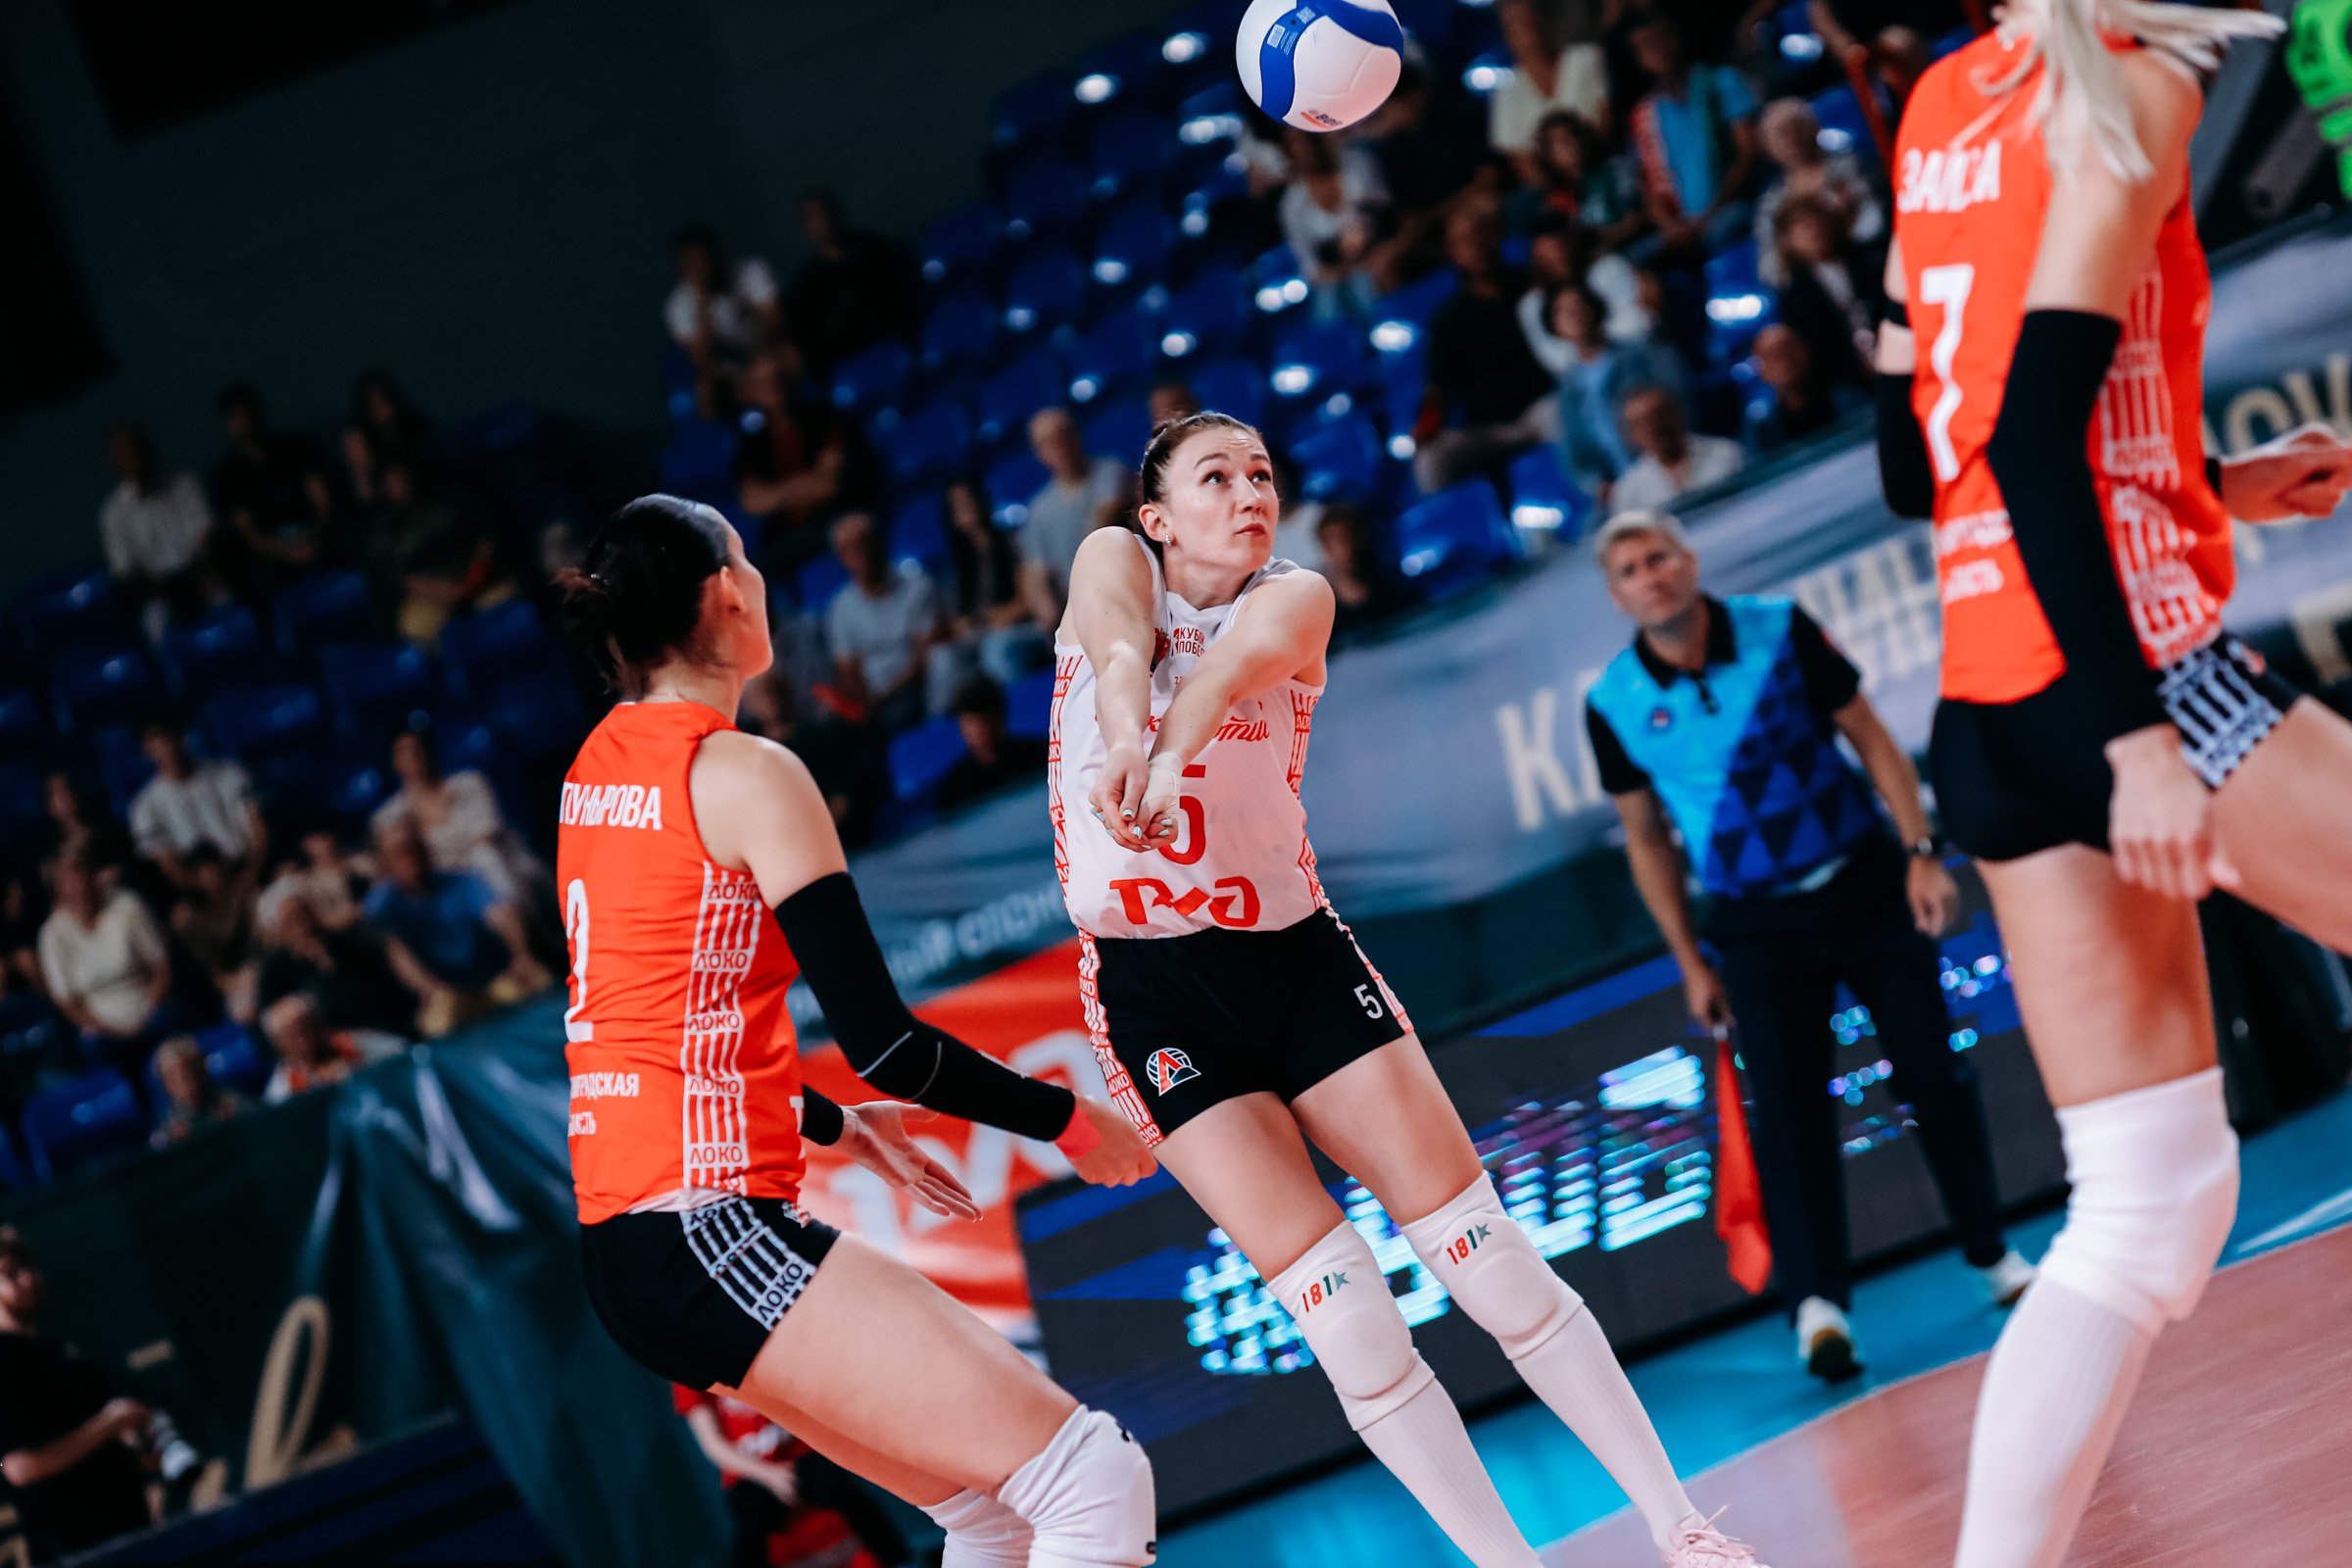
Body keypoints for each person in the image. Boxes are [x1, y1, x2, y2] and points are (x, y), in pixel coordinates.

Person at [1052, 412, 1770, 1568]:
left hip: (1294, 957)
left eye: (1262, 474)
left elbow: (1226, 669)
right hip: (1152, 994)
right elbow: (1122, 643)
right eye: (1216, 476)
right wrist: (1128, 734)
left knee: (1485, 1252)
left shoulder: (1297, 597)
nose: (1249, 492)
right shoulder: (1109, 558)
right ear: (1156, 515)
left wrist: (1166, 754)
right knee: (1345, 1312)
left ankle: (1676, 1522)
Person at [1873, 6, 2352, 1563]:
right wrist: (2140, 741)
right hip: (2133, 679)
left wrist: (2209, 487)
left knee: (2150, 1200)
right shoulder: (2136, 86)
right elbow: (2027, 441)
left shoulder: (1944, 101)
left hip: (1990, 705)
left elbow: (1918, 458)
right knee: (2149, 1200)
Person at [550, 494, 1160, 1568]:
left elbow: (659, 1029)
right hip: (708, 1231)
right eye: (748, 561)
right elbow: (888, 1045)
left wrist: (834, 1124)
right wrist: (1066, 1120)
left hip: (638, 1242)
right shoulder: (749, 773)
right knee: (1092, 1478)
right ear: (727, 594)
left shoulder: (594, 774)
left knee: (995, 1515)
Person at [1584, 512, 2030, 1379]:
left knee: (1933, 1076)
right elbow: (1645, 839)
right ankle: (1820, 1310)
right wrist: (1690, 960)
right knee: (1788, 1121)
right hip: (1752, 929)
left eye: (1660, 557)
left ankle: (1992, 1255)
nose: (1651, 577)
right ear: (1617, 596)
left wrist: (1920, 850)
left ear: (1689, 560)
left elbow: (1869, 735)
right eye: (1631, 570)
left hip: (1865, 885)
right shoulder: (1613, 704)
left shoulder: (1780, 628)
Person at [0, 1227, 157, 1562]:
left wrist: (135, 1439)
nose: (28, 1279)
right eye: (11, 1274)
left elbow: (124, 1434)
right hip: (75, 1553)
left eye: (29, 1266)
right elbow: (19, 1468)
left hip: (131, 1539)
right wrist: (108, 1424)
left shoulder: (60, 1353)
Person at [675, 1384, 916, 1568]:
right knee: (751, 1528)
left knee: (848, 1495)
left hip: (799, 1453)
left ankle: (900, 1561)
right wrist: (769, 1475)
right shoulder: (686, 1369)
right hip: (750, 1472)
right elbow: (714, 1446)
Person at [1415, 202, 1559, 494]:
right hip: (1486, 430)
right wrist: (1426, 428)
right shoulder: (1447, 319)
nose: (1475, 247)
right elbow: (1436, 391)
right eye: (1463, 241)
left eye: (1481, 234)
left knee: (1561, 415)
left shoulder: (1532, 286)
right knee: (1432, 460)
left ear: (1497, 235)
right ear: (1453, 252)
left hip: (1542, 406)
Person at [364, 815, 552, 1039]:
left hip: (497, 979)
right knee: (437, 1025)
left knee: (541, 982)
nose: (409, 857)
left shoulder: (463, 880)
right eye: (398, 852)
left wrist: (521, 955)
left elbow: (501, 915)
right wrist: (430, 989)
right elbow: (397, 953)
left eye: (413, 848)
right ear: (384, 861)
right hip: (447, 993)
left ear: (425, 848)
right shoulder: (383, 905)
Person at [1625, 13, 1761, 263]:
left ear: (1675, 39)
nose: (1655, 51)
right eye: (1644, 47)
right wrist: (1670, 226)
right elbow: (1647, 187)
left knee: (1723, 233)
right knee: (1633, 262)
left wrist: (1707, 217)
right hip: (1680, 224)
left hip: (1729, 207)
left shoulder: (1721, 82)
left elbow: (1747, 155)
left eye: (1659, 40)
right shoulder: (1645, 114)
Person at [1541, 283, 1688, 496]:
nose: (1573, 315)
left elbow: (1677, 407)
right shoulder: (1567, 389)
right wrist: (1597, 486)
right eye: (1562, 311)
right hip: (1619, 490)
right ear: (1554, 326)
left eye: (1578, 306)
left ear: (1594, 308)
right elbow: (1574, 456)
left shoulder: (1639, 354)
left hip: (1666, 470)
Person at [372, 728, 547, 906]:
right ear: (394, 761)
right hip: (439, 885)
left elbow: (486, 836)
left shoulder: (470, 783)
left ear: (429, 751)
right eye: (403, 752)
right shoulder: (389, 816)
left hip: (494, 869)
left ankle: (516, 913)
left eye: (418, 749)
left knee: (487, 858)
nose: (413, 756)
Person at [36, 849, 173, 1070]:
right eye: (70, 883)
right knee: (92, 1047)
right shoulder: (51, 935)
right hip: (100, 1025)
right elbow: (67, 1002)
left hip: (146, 1007)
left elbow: (161, 966)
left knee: (168, 1022)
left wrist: (150, 1007)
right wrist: (104, 1027)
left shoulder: (128, 905)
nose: (80, 889)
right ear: (59, 890)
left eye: (82, 878)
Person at [207, 383, 335, 604]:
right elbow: (250, 534)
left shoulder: (298, 447)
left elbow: (322, 501)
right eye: (235, 416)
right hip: (272, 555)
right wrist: (290, 553)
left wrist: (315, 539)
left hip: (316, 536)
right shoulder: (228, 476)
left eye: (246, 413)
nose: (243, 421)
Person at [97, 423, 221, 642]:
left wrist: (202, 572)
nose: (133, 457)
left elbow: (206, 534)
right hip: (160, 593)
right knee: (155, 623)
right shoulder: (112, 513)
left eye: (135, 449)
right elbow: (126, 571)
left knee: (224, 599)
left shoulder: (185, 484)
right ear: (114, 462)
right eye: (124, 454)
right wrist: (166, 591)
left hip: (200, 575)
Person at [821, 512, 942, 733]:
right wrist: (862, 703)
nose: (860, 556)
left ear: (880, 544)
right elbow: (848, 670)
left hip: (914, 687)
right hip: (872, 699)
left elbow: (926, 655)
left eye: (864, 545)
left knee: (896, 716)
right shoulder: (840, 607)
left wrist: (883, 697)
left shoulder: (916, 585)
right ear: (840, 557)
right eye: (849, 550)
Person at [935, 476, 1051, 701]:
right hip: (979, 635)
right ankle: (949, 722)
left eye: (969, 500)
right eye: (958, 505)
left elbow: (1028, 603)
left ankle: (1016, 711)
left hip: (1021, 629)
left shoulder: (1013, 543)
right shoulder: (956, 568)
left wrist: (989, 619)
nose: (967, 507)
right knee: (944, 659)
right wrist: (972, 625)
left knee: (996, 647)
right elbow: (956, 624)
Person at [1017, 410, 1134, 632]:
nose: (1058, 446)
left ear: (1076, 436)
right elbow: (1036, 573)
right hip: (1072, 608)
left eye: (1062, 435)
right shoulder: (1039, 509)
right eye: (1047, 442)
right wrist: (1052, 620)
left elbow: (1103, 523)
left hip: (1119, 586)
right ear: (1039, 453)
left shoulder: (1111, 471)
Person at [784, 189, 921, 376]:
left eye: (824, 213)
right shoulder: (808, 281)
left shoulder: (875, 250)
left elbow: (902, 293)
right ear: (807, 228)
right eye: (812, 217)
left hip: (896, 343)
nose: (821, 221)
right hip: (851, 360)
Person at [1752, 99, 1884, 288]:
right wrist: (1793, 250)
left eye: (1797, 127)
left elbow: (1875, 224)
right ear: (1768, 147)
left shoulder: (1852, 168)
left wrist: (1840, 227)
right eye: (1781, 133)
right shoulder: (1772, 203)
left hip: (1867, 265)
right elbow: (1770, 270)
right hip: (1813, 288)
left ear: (1815, 127)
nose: (1792, 137)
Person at [253, 890, 416, 1039]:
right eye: (292, 920)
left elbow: (387, 950)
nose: (304, 925)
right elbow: (271, 1024)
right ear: (279, 930)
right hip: (335, 1047)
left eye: (304, 914)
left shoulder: (346, 943)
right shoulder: (276, 971)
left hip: (387, 1031)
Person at [127, 720, 267, 889]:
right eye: (155, 741)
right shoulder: (143, 807)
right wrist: (207, 889)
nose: (166, 747)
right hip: (201, 889)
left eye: (169, 737)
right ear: (146, 750)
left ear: (182, 738)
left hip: (249, 870)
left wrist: (252, 873)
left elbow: (258, 828)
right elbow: (171, 868)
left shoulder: (230, 773)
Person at [1277, 127, 1391, 323]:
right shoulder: (1292, 204)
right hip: (1334, 275)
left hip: (1377, 249)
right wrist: (1343, 265)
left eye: (1309, 141)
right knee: (1330, 301)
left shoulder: (1358, 163)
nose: (1306, 150)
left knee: (1366, 284)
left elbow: (1386, 211)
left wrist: (1367, 239)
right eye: (1296, 146)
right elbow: (1310, 266)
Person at [1770, 192, 1882, 388]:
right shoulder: (1793, 296)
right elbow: (1816, 350)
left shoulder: (1872, 261)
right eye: (1804, 227)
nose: (1815, 230)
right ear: (1788, 240)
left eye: (1818, 221)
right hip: (1843, 381)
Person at [665, 224, 780, 386]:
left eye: (703, 257)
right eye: (691, 261)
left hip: (768, 352)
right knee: (705, 388)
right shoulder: (677, 305)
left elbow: (776, 320)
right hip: (728, 375)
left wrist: (761, 357)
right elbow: (700, 358)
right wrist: (702, 301)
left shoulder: (751, 271)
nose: (701, 266)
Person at [1610, 384, 1746, 511]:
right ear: (1630, 433)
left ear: (1678, 413)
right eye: (1641, 423)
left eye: (1659, 416)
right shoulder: (1628, 491)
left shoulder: (1727, 453)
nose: (1654, 428)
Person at [936, 676, 1049, 814]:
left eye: (986, 722)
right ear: (961, 726)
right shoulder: (953, 790)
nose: (981, 731)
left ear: (1001, 717)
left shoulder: (1040, 756)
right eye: (972, 724)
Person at [1743, 323, 1861, 453]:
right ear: (1761, 370)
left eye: (1789, 350)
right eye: (1773, 356)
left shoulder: (1846, 399)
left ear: (1805, 350)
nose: (1785, 361)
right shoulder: (1760, 424)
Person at [259, 992, 388, 1102]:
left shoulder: (356, 1043)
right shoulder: (282, 1090)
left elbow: (395, 1056)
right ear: (279, 1043)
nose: (306, 1037)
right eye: (293, 1034)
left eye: (308, 1025)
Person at [1314, 505, 1419, 638]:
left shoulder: (1399, 593)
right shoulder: (1324, 617)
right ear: (1326, 547)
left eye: (1352, 537)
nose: (1348, 548)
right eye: (1338, 541)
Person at [150, 1035, 248, 1147]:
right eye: (173, 1075)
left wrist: (235, 1120)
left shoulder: (231, 1101)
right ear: (165, 1083)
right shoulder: (167, 1127)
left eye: (189, 1069)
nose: (183, 1078)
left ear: (202, 1068)